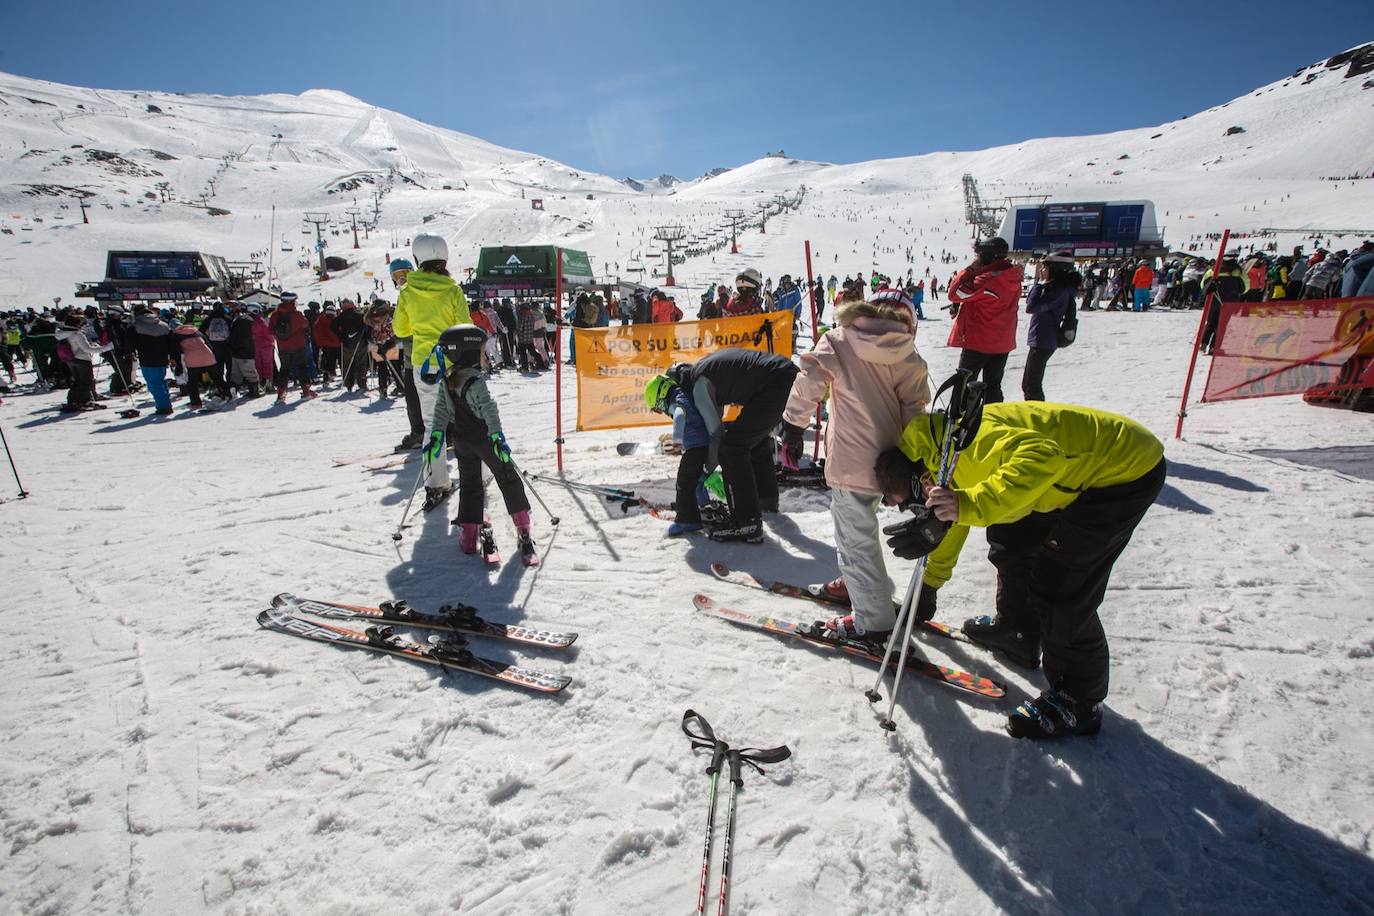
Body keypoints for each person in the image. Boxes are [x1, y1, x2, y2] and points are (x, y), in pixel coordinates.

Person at [875, 401, 1166, 739]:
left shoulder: (969, 445)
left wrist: (967, 504)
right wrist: (927, 589)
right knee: (1010, 537)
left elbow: (1044, 457)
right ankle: (1019, 632)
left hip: (1121, 472)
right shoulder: (939, 455)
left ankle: (1080, 701)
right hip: (1066, 476)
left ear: (919, 475)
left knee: (1060, 584)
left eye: (912, 501)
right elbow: (954, 518)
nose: (917, 508)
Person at [778, 287, 931, 641]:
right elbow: (915, 411)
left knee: (854, 540)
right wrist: (913, 462)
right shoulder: (906, 351)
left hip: (850, 460)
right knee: (860, 532)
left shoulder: (840, 340)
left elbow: (809, 383)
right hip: (890, 463)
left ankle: (873, 622)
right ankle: (858, 587)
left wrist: (793, 424)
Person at [643, 348, 798, 542]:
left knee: (731, 449)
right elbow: (715, 426)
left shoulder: (699, 384)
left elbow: (716, 435)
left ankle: (746, 522)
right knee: (753, 441)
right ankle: (764, 501)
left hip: (776, 383)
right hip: (785, 374)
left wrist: (706, 470)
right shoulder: (705, 371)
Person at [424, 324, 537, 565]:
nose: (484, 355)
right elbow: (489, 409)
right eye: (481, 350)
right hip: (483, 438)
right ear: (468, 352)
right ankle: (523, 529)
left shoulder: (448, 378)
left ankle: (468, 535)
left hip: (461, 440)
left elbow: (442, 410)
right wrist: (497, 436)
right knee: (507, 476)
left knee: (470, 482)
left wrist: (437, 435)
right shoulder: (475, 381)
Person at [393, 232, 470, 507]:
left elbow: (401, 329)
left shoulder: (408, 291)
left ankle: (436, 483)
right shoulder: (452, 290)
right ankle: (478, 473)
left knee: (432, 426)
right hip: (454, 364)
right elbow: (465, 326)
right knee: (468, 421)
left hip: (425, 365)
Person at [946, 236, 1021, 403]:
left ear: (986, 257)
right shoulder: (1011, 275)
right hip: (1002, 341)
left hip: (980, 340)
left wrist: (970, 269)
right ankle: (993, 420)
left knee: (964, 383)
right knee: (993, 386)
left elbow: (955, 293)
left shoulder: (986, 280)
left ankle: (958, 420)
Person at [1022, 253, 1079, 401]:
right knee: (1028, 384)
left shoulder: (1058, 292)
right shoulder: (1055, 289)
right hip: (1041, 339)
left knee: (1031, 385)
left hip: (1044, 340)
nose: (1041, 271)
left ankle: (1037, 416)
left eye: (1044, 267)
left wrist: (1039, 285)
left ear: (1055, 270)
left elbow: (1031, 307)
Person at [54, 310, 109, 412]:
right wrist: (104, 348)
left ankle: (72, 400)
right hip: (82, 359)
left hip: (71, 359)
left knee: (77, 381)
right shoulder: (76, 334)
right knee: (86, 382)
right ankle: (83, 401)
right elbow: (86, 349)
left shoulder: (62, 333)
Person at [269, 292, 314, 401]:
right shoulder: (297, 314)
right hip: (298, 345)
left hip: (283, 347)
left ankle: (281, 393)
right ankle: (306, 391)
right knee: (302, 367)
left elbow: (270, 330)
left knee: (284, 369)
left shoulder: (275, 315)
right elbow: (305, 324)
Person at [171, 318, 227, 407]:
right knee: (216, 377)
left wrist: (179, 365)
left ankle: (196, 402)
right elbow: (208, 343)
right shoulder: (197, 332)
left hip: (192, 359)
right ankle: (227, 394)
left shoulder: (176, 335)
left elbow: (176, 351)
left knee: (192, 382)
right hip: (208, 356)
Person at [1200, 259, 1245, 355]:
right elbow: (1244, 287)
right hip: (1229, 301)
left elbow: (1203, 284)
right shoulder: (1237, 271)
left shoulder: (1213, 270)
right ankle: (1214, 348)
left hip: (1213, 300)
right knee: (1221, 325)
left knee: (1210, 323)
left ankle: (1203, 343)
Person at [366, 301, 405, 398]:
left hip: (377, 344)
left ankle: (383, 388)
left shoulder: (371, 317)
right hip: (390, 343)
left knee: (381, 368)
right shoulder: (388, 317)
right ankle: (400, 386)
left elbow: (367, 326)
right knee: (395, 366)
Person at [226, 301, 262, 398]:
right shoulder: (250, 321)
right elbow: (250, 338)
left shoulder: (237, 319)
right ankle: (254, 392)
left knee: (236, 375)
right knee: (251, 374)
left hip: (235, 352)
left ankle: (232, 391)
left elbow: (232, 335)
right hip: (247, 352)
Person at [333, 300, 370, 392]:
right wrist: (366, 337)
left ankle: (349, 384)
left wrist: (340, 336)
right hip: (360, 342)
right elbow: (367, 326)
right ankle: (362, 383)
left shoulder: (341, 316)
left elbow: (333, 326)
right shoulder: (359, 315)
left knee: (348, 363)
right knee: (361, 363)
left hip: (347, 343)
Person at [312, 303, 342, 385]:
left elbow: (316, 331)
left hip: (326, 345)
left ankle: (327, 377)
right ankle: (345, 377)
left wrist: (320, 342)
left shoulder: (320, 320)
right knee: (341, 361)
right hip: (338, 344)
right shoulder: (337, 320)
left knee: (327, 361)